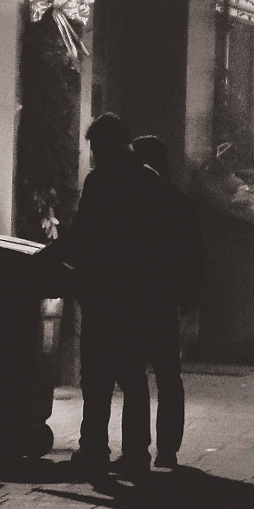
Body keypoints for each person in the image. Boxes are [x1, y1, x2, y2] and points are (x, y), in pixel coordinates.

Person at [65, 113, 180, 475]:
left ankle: (94, 447)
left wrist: (53, 257)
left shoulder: (99, 182)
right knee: (131, 375)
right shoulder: (150, 180)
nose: (94, 155)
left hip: (104, 292)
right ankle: (135, 452)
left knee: (97, 376)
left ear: (104, 146)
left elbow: (83, 233)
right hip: (140, 294)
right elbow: (163, 241)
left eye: (95, 148)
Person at [128, 136, 196, 468]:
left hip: (138, 295)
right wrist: (187, 295)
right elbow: (193, 254)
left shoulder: (128, 200)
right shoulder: (178, 202)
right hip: (163, 296)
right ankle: (166, 448)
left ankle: (137, 448)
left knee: (135, 374)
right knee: (167, 374)